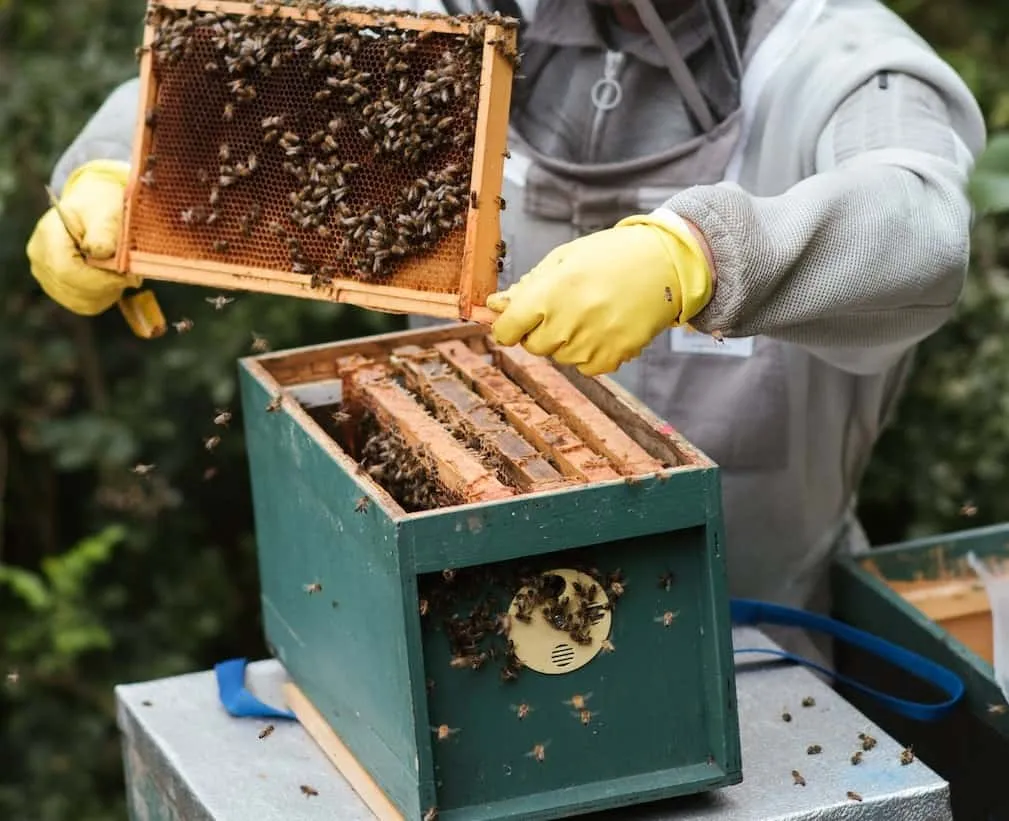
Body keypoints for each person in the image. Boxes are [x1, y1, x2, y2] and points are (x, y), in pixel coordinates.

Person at [26, 0, 986, 645]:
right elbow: (221, 82)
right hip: (456, 628)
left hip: (759, 643)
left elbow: (921, 227)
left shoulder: (842, 53)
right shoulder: (455, 17)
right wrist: (113, 172)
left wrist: (695, 256)